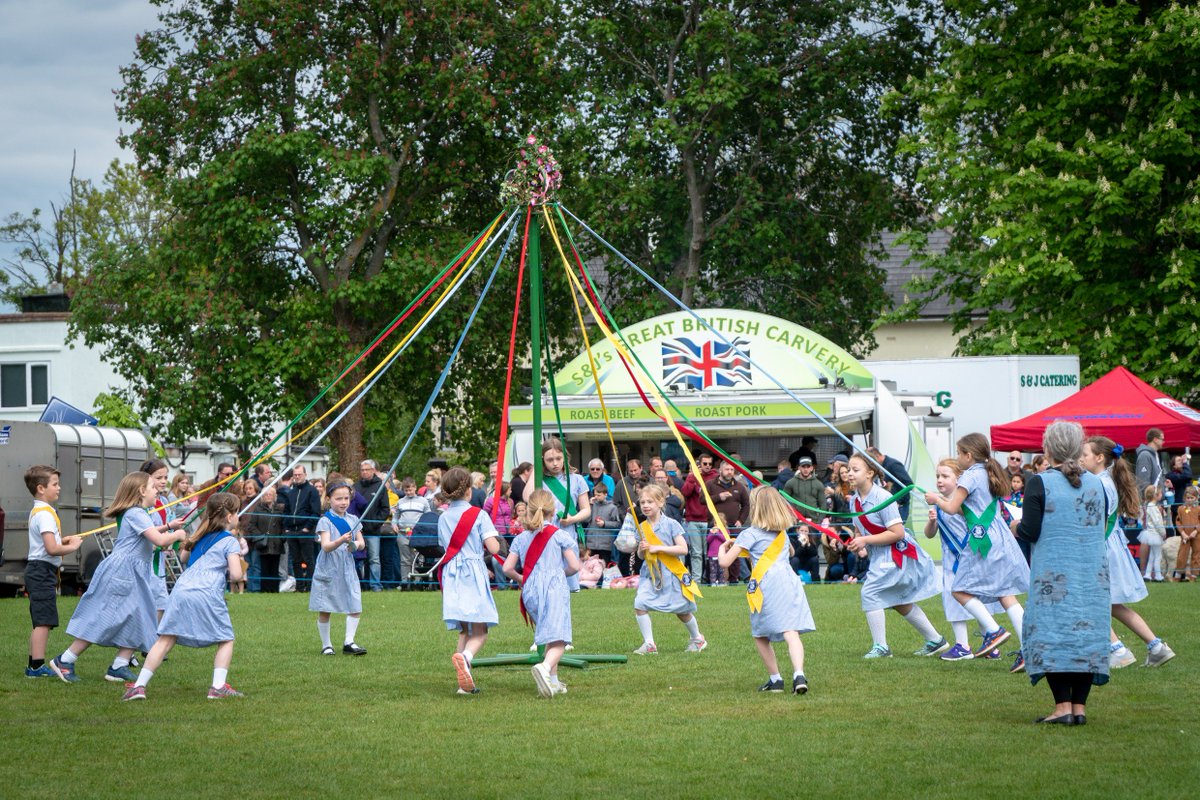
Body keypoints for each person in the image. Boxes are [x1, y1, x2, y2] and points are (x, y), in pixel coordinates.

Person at [1015, 420, 1110, 725]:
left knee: (1052, 633)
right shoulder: (1098, 483)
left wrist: (1013, 525)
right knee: (1085, 635)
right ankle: (1079, 708)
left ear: (1048, 448)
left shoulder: (1039, 482)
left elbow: (1029, 530)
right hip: (1090, 572)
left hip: (1053, 574)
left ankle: (1062, 707)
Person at [50, 472, 186, 684]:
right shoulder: (137, 513)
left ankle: (119, 666)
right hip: (122, 573)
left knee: (140, 616)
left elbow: (150, 533)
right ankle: (64, 660)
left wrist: (169, 527)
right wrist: (176, 535)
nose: (157, 490)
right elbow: (158, 540)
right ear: (141, 491)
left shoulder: (138, 514)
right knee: (103, 617)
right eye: (152, 487)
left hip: (133, 572)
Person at [122, 492, 246, 701]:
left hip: (182, 588)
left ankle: (139, 685)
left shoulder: (200, 535)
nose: (238, 516)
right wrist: (238, 566)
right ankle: (217, 687)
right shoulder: (230, 541)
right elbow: (235, 575)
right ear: (229, 517)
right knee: (226, 638)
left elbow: (184, 556)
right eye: (236, 512)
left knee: (165, 638)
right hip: (207, 591)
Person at [924, 432, 1030, 672]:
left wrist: (936, 500)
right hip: (1000, 536)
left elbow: (952, 508)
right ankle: (1028, 649)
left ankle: (993, 631)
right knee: (1006, 594)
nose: (958, 458)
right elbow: (970, 511)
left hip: (983, 539)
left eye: (959, 453)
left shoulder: (970, 476)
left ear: (968, 455)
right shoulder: (988, 472)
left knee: (958, 590)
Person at [1080, 436, 1176, 668]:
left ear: (1100, 457)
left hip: (1101, 547)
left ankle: (1117, 649)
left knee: (1090, 601)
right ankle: (1156, 646)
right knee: (1113, 605)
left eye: (1084, 455)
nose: (1080, 459)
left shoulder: (1099, 484)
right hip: (1110, 546)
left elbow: (1095, 521)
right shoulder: (1107, 480)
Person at [845, 453, 944, 659]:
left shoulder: (883, 498)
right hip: (879, 555)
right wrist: (859, 544)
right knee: (899, 600)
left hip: (896, 552)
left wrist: (866, 541)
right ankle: (936, 640)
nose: (849, 473)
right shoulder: (854, 500)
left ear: (870, 473)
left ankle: (881, 647)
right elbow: (859, 529)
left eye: (856, 470)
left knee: (870, 592)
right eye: (848, 469)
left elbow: (897, 533)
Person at [717, 486, 815, 694]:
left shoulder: (749, 534)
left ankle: (776, 679)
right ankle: (799, 674)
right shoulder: (782, 533)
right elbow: (788, 552)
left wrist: (723, 546)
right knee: (791, 630)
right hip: (789, 580)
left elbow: (725, 562)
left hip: (766, 583)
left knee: (760, 633)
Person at [924, 459, 1006, 661]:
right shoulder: (940, 504)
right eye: (938, 476)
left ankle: (987, 643)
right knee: (954, 602)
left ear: (958, 479)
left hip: (968, 560)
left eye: (945, 476)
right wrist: (932, 520)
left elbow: (968, 520)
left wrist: (939, 502)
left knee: (977, 602)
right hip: (951, 562)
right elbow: (929, 534)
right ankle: (964, 644)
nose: (940, 481)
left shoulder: (960, 502)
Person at [503, 490, 582, 698]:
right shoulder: (559, 535)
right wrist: (560, 574)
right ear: (553, 511)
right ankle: (545, 667)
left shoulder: (521, 538)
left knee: (549, 634)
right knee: (560, 639)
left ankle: (553, 682)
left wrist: (523, 580)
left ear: (528, 511)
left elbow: (507, 568)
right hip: (554, 588)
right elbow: (575, 565)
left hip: (531, 591)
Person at [621, 484, 707, 655]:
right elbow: (640, 555)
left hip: (672, 574)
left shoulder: (672, 524)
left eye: (650, 502)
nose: (645, 505)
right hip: (651, 574)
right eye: (642, 502)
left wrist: (658, 548)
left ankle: (698, 638)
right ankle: (649, 644)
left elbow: (683, 549)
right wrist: (641, 549)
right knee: (640, 603)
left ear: (660, 502)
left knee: (682, 610)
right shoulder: (642, 527)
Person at [439, 467, 502, 694]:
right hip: (472, 572)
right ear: (468, 490)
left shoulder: (443, 517)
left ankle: (463, 685)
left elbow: (444, 546)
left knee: (464, 630)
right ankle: (465, 658)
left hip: (452, 573)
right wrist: (495, 537)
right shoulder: (479, 514)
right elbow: (493, 547)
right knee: (481, 630)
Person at [23, 465, 83, 678]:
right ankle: (37, 667)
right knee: (44, 621)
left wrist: (63, 541)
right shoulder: (45, 514)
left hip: (40, 570)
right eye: (55, 484)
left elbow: (51, 544)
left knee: (42, 621)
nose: (59, 488)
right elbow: (51, 549)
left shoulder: (40, 511)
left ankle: (34, 665)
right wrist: (72, 547)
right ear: (41, 488)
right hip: (41, 572)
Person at [525, 438, 590, 593]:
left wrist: (573, 519)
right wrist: (536, 469)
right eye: (549, 460)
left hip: (567, 533)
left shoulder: (577, 479)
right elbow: (527, 497)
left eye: (558, 458)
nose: (554, 463)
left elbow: (586, 510)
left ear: (565, 458)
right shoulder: (540, 480)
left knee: (567, 585)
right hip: (544, 534)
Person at [310, 482, 367, 656]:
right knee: (325, 607)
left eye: (346, 498)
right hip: (329, 567)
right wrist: (341, 540)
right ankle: (326, 645)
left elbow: (362, 543)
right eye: (338, 498)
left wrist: (354, 545)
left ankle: (349, 642)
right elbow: (326, 546)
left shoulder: (353, 520)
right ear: (329, 499)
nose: (343, 502)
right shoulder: (325, 521)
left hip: (347, 567)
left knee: (355, 605)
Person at [141, 459, 179, 620]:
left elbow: (169, 523)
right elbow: (148, 530)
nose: (164, 481)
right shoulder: (142, 504)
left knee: (160, 602)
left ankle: (152, 639)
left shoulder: (163, 501)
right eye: (159, 477)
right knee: (149, 601)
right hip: (145, 559)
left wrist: (173, 533)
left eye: (166, 477)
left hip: (159, 559)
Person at [706, 460, 750, 582]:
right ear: (720, 470)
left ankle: (734, 580)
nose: (730, 472)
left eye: (732, 470)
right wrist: (718, 497)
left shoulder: (739, 486)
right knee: (714, 553)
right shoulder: (710, 484)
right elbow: (702, 500)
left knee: (735, 554)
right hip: (716, 526)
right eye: (727, 469)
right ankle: (712, 579)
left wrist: (741, 520)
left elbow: (746, 505)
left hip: (733, 526)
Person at [354, 460, 393, 591]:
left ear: (373, 470)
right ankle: (360, 584)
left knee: (374, 559)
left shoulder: (380, 487)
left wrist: (374, 524)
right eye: (362, 470)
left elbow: (385, 509)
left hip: (374, 531)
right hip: (358, 530)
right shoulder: (355, 487)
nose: (364, 472)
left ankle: (375, 584)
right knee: (357, 559)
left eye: (367, 469)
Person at [242, 484, 286, 593]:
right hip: (263, 543)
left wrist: (282, 537)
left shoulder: (280, 509)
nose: (268, 496)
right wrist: (260, 537)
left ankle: (274, 589)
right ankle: (264, 589)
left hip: (276, 543)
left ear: (274, 496)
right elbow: (251, 525)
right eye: (266, 494)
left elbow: (284, 525)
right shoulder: (258, 509)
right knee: (264, 567)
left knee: (275, 567)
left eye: (270, 494)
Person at [286, 464, 321, 592]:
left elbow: (316, 512)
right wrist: (287, 527)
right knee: (295, 560)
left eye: (299, 474)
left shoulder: (312, 491)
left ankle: (311, 586)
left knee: (308, 559)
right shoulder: (291, 492)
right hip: (292, 531)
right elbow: (287, 511)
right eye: (295, 475)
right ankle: (300, 587)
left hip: (306, 530)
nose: (297, 477)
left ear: (305, 475)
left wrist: (308, 527)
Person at [393, 477, 432, 588]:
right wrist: (394, 524)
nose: (409, 492)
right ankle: (405, 582)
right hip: (402, 533)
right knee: (404, 559)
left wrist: (425, 528)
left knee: (417, 558)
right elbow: (395, 516)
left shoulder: (423, 501)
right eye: (406, 490)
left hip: (417, 534)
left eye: (410, 489)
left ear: (415, 487)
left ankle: (417, 582)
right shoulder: (400, 502)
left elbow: (428, 516)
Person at [867, 446, 915, 523]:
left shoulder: (893, 464)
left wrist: (898, 501)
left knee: (898, 531)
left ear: (877, 456)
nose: (871, 464)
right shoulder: (883, 466)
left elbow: (908, 483)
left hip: (900, 506)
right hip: (891, 504)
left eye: (871, 461)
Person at [586, 480, 621, 559]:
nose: (596, 497)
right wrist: (590, 505)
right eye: (595, 495)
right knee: (590, 567)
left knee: (604, 567)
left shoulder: (612, 508)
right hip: (591, 544)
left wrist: (605, 523)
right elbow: (586, 520)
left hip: (605, 545)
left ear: (605, 494)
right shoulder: (592, 505)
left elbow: (617, 524)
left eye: (599, 495)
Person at [1139, 485, 1167, 582]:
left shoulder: (1150, 506)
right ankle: (1158, 576)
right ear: (1156, 495)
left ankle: (1147, 574)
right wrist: (1163, 533)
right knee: (1158, 556)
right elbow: (1157, 522)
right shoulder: (1153, 507)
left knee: (1152, 555)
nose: (1161, 494)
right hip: (1155, 534)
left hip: (1151, 534)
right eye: (1160, 493)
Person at [1174, 486, 1200, 581]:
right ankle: (1178, 575)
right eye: (1188, 497)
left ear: (1196, 498)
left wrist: (1196, 531)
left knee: (1196, 554)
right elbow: (1178, 522)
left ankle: (1193, 576)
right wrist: (1183, 533)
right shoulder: (1180, 509)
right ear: (1185, 498)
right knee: (1182, 554)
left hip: (1196, 535)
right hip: (1185, 536)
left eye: (1192, 498)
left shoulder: (1198, 509)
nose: (1189, 500)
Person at [1134, 427, 1165, 494]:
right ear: (1155, 439)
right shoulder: (1145, 455)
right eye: (1162, 439)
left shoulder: (1154, 455)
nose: (1164, 442)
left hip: (1156, 501)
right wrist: (1148, 502)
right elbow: (1143, 482)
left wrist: (1163, 484)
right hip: (1150, 502)